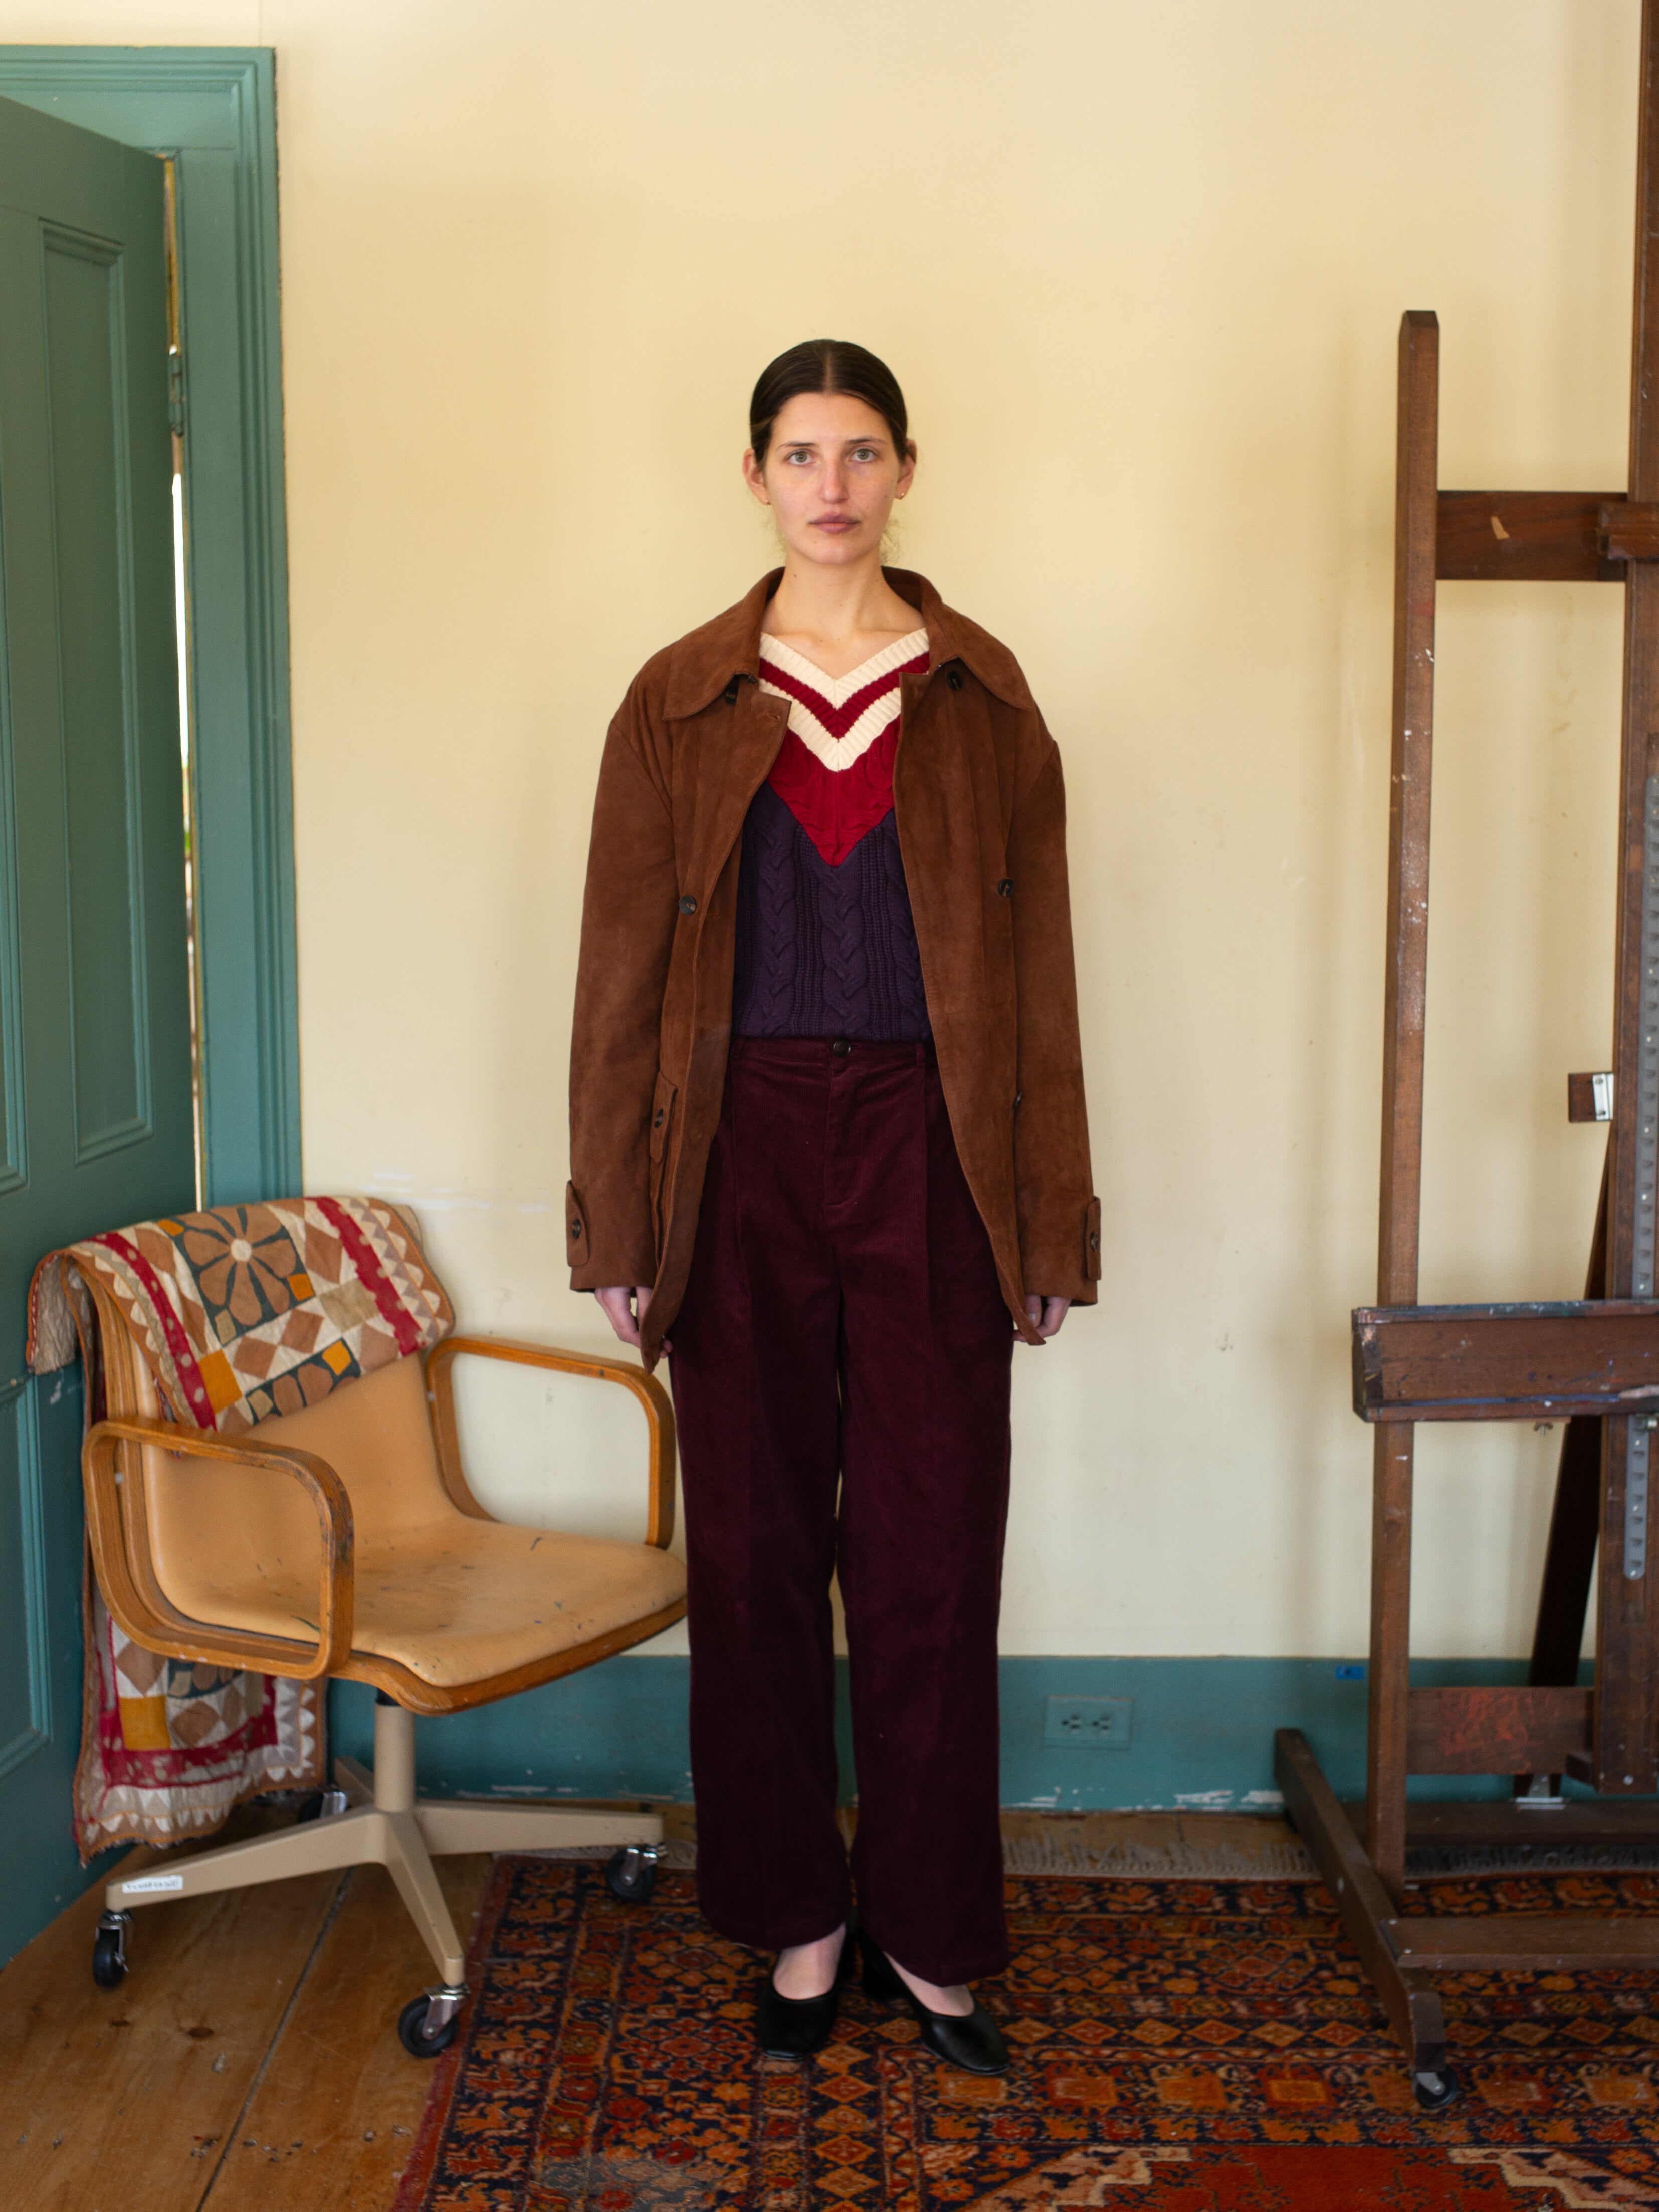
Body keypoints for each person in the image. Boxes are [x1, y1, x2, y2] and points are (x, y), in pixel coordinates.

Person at [567, 339, 1097, 2073]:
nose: (833, 484)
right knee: (755, 1541)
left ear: (904, 470)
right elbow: (620, 980)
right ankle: (801, 1923)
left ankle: (935, 1937)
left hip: (939, 1144)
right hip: (738, 1145)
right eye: (801, 452)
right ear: (757, 477)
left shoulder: (984, 694)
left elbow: (1038, 979)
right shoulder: (677, 697)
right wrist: (619, 1221)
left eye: (862, 451)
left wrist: (1051, 1210)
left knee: (938, 1550)